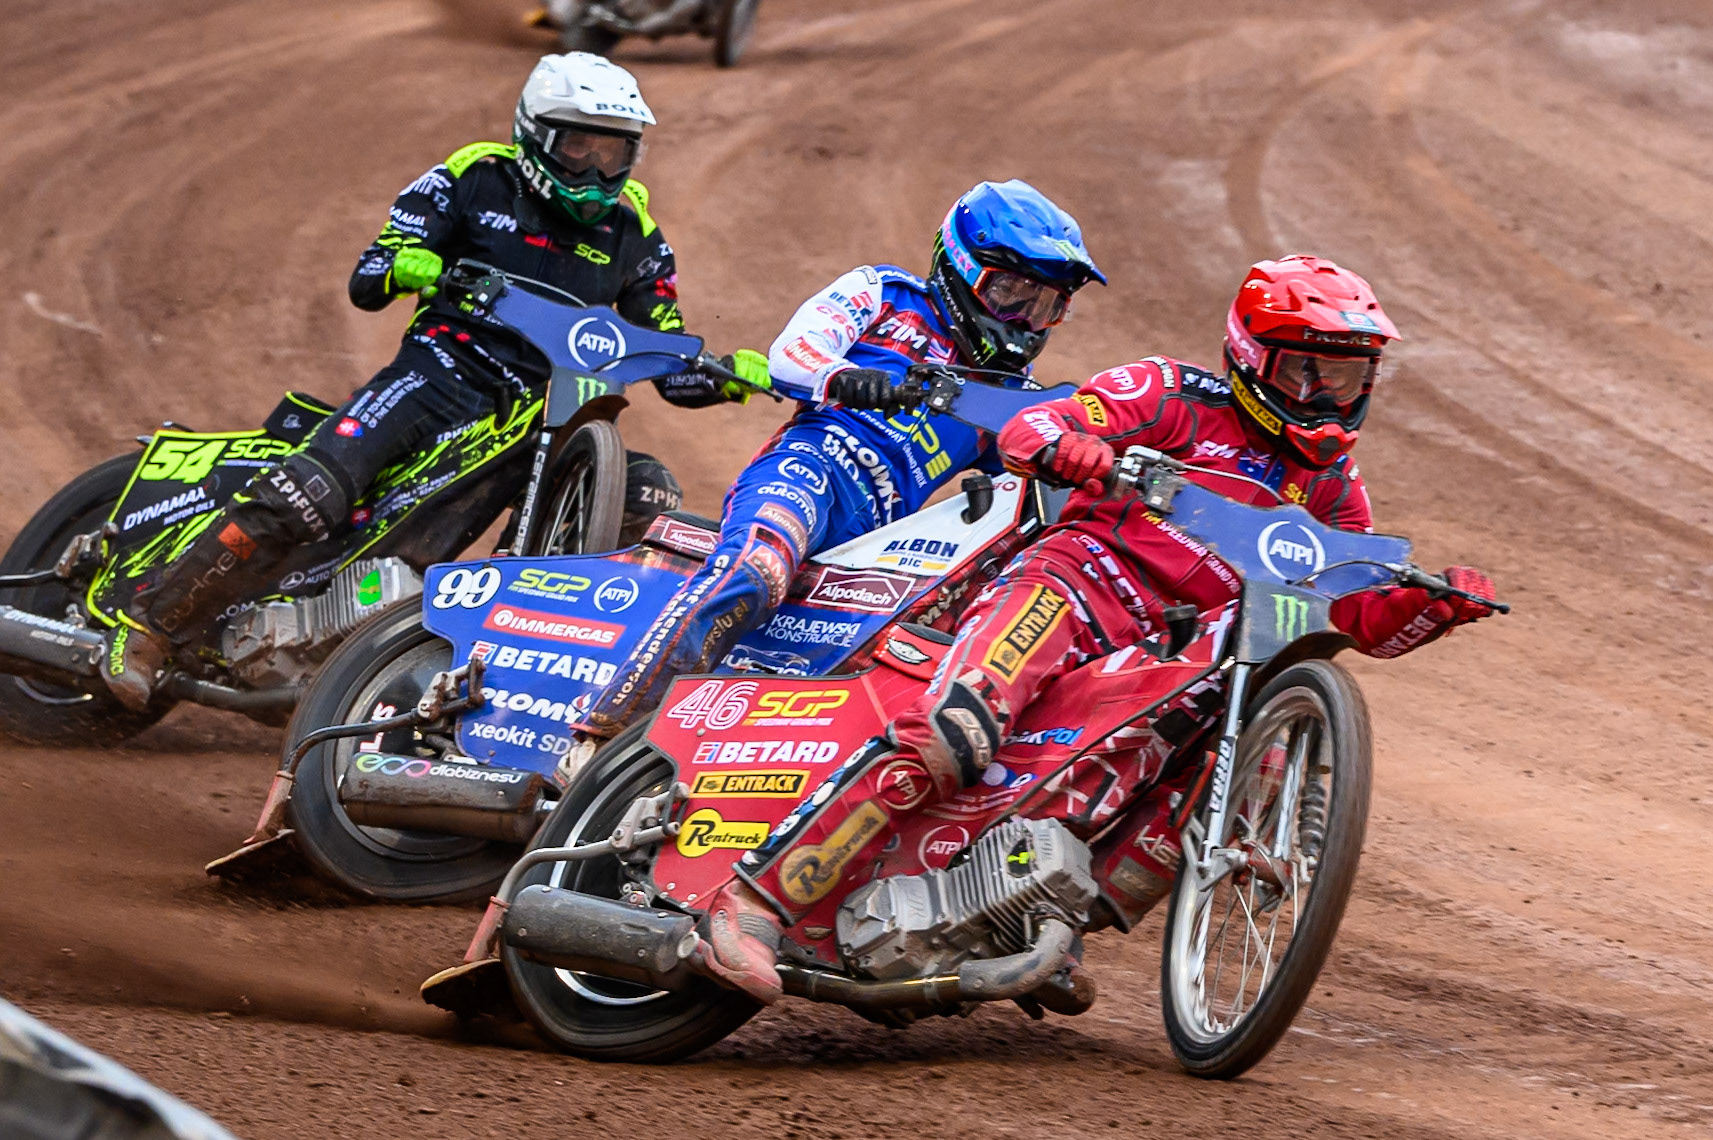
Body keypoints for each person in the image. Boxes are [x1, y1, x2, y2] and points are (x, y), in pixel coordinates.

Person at [693, 254, 1500, 1003]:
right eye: (1308, 373)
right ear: (1254, 360)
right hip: (1068, 589)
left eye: (1348, 377)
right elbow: (1030, 428)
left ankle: (1041, 924)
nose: (1328, 397)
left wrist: (1432, 608)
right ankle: (755, 904)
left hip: (1164, 651)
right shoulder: (1169, 394)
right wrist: (1076, 450)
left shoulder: (1331, 488)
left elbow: (1355, 615)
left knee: (1192, 770)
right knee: (953, 734)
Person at [103, 52, 768, 709]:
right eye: (578, 148)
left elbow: (666, 350)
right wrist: (411, 264)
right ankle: (149, 627)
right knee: (307, 493)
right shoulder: (475, 177)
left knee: (647, 490)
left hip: (542, 409)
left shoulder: (636, 231)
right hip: (440, 372)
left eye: (613, 153)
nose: (596, 171)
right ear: (535, 137)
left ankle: (527, 674)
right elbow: (370, 276)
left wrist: (731, 370)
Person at [568, 179, 1106, 754]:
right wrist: (840, 376)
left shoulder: (1010, 397)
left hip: (885, 546)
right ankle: (599, 734)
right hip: (810, 471)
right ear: (960, 267)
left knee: (932, 650)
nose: (1024, 320)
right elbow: (789, 355)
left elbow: (1039, 480)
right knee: (756, 570)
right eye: (1011, 293)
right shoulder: (885, 294)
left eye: (1046, 304)